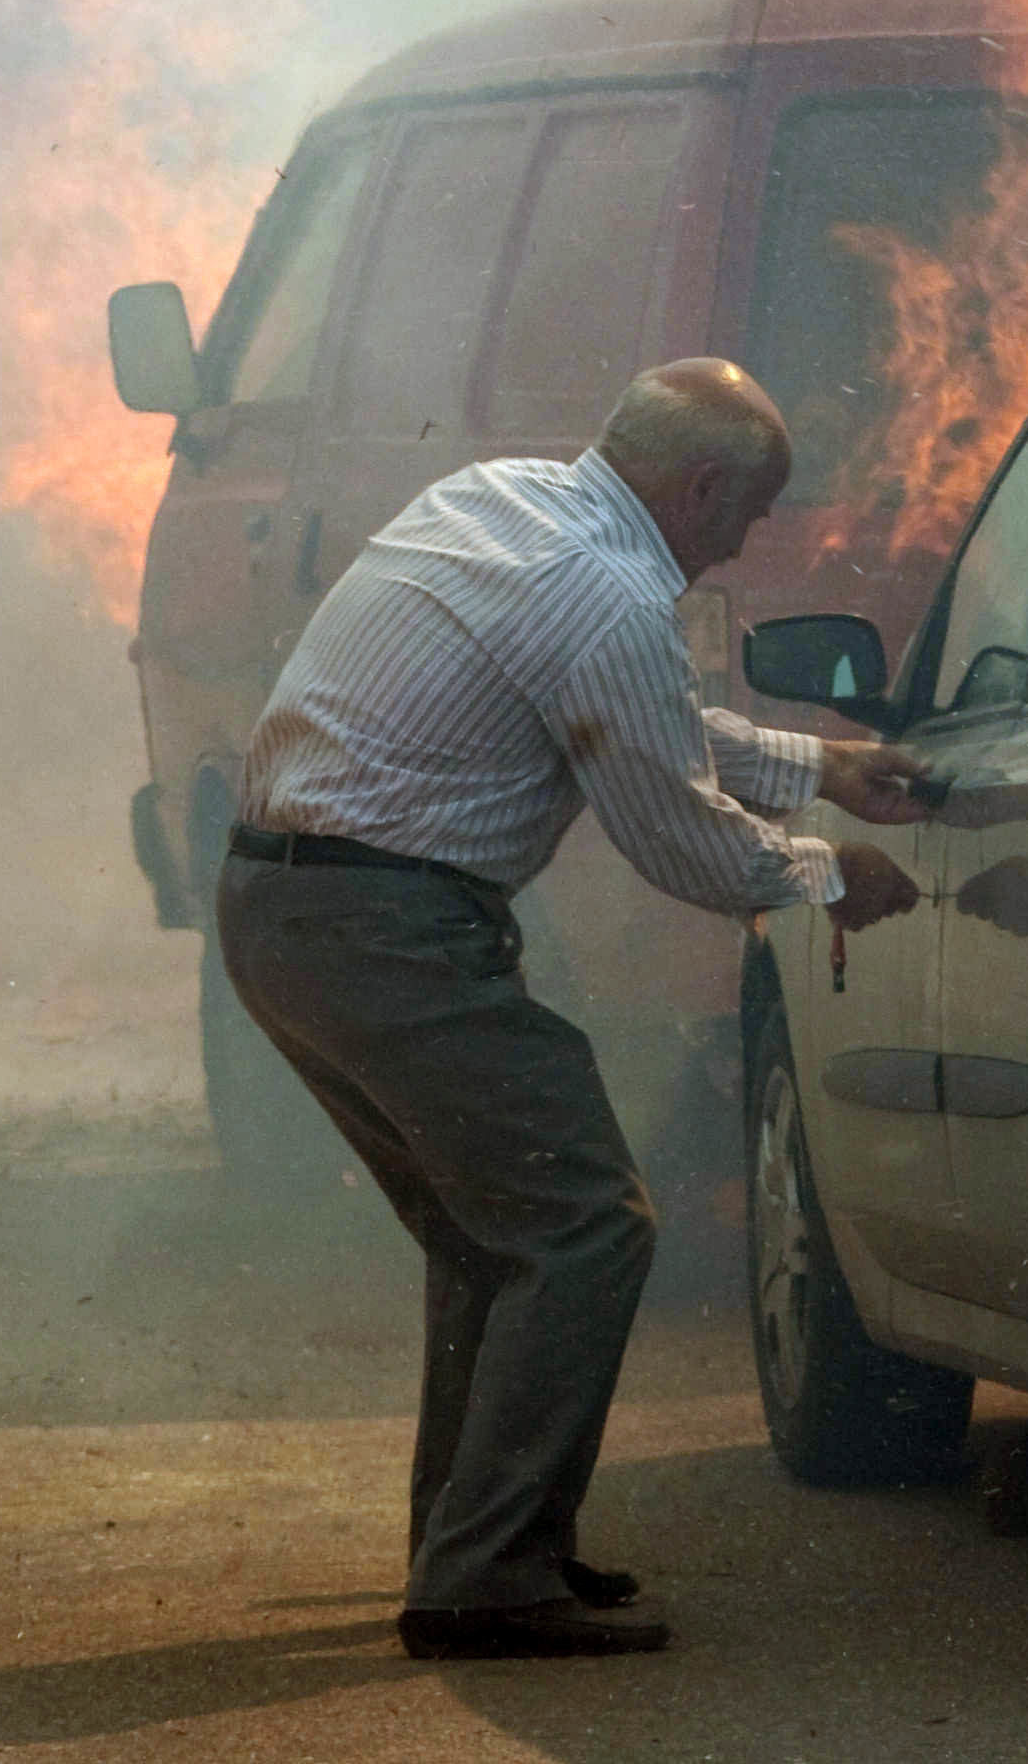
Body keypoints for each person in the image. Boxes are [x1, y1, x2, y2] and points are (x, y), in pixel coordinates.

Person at [214, 358, 927, 1661]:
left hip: (281, 909)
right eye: (749, 513)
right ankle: (486, 1574)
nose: (746, 543)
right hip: (387, 932)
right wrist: (827, 872)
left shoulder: (506, 502)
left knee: (496, 1236)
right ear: (701, 487)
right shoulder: (600, 590)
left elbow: (644, 720)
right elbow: (676, 839)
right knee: (586, 1226)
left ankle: (481, 1547)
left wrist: (825, 764)